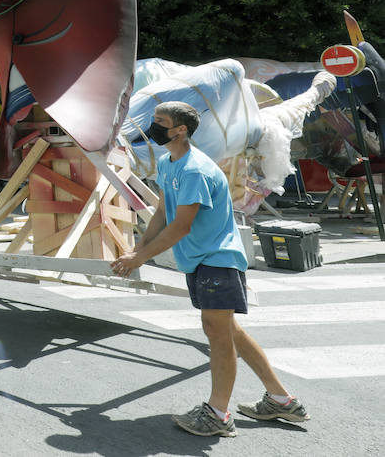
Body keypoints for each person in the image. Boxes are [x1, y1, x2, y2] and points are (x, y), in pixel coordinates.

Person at [111, 101, 309, 437]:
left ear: (180, 130)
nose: (153, 126)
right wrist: (139, 247)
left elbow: (180, 226)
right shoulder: (168, 163)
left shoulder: (194, 170)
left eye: (160, 122)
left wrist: (139, 259)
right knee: (229, 330)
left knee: (217, 334)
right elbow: (163, 211)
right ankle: (281, 400)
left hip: (217, 259)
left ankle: (218, 414)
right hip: (201, 259)